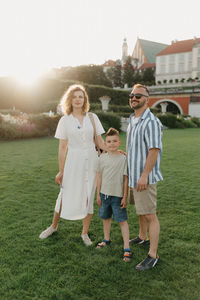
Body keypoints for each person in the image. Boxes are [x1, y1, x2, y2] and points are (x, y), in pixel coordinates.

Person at [39, 84, 106, 246]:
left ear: (85, 100)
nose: (78, 100)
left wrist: (115, 152)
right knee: (64, 194)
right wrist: (61, 171)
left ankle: (84, 233)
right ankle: (53, 226)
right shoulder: (65, 120)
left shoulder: (93, 117)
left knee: (89, 195)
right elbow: (63, 147)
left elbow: (99, 142)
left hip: (92, 161)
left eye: (80, 97)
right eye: (75, 97)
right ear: (70, 100)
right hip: (73, 161)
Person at [127, 83, 163, 270]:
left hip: (144, 178)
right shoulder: (132, 119)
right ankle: (142, 237)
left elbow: (154, 150)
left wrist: (144, 175)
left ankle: (153, 255)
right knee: (140, 210)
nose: (134, 98)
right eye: (132, 95)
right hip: (133, 176)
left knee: (150, 215)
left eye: (138, 96)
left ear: (147, 100)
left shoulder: (151, 122)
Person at [96, 128, 132, 261]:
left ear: (119, 142)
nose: (112, 144)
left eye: (114, 141)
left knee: (122, 221)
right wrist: (98, 194)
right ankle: (106, 239)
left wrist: (125, 196)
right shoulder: (102, 158)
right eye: (109, 141)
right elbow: (99, 176)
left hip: (118, 196)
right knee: (106, 218)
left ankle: (127, 248)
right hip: (104, 195)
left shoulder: (123, 158)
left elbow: (125, 178)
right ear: (105, 144)